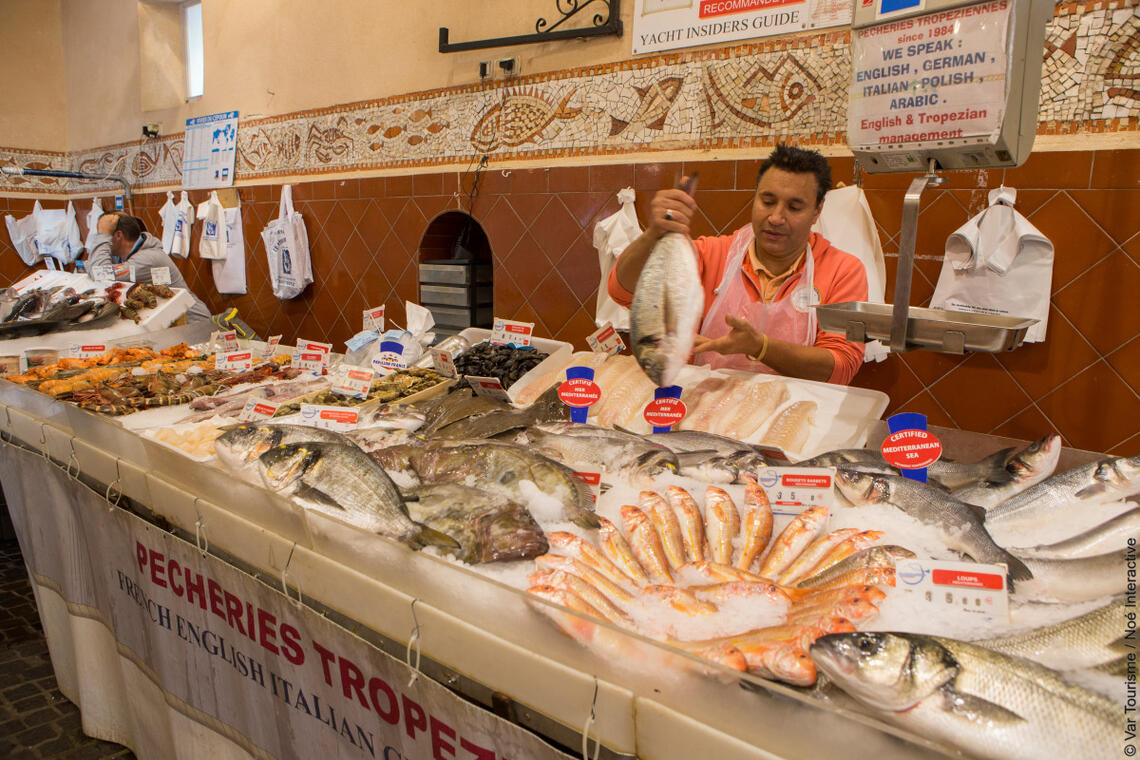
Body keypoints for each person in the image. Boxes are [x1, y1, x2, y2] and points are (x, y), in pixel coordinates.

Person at [608, 144, 868, 385]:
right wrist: (654, 233)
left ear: (817, 210)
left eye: (794, 207)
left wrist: (759, 346)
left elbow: (841, 367)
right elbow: (622, 290)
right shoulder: (710, 254)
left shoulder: (843, 271)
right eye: (767, 202)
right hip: (703, 411)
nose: (776, 217)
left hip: (792, 417)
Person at [87, 211, 211, 322]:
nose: (104, 242)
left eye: (105, 236)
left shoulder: (147, 259)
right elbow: (93, 266)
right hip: (168, 322)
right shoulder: (127, 255)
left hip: (192, 323)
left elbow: (99, 273)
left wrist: (103, 236)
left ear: (119, 235)